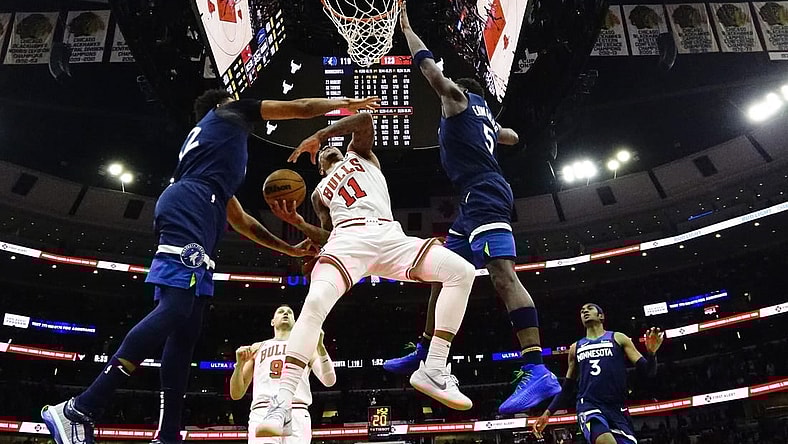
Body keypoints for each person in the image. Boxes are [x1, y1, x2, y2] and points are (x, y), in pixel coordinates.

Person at [40, 90, 379, 444]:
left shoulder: (215, 152)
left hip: (201, 210)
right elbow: (300, 108)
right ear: (222, 104)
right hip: (190, 208)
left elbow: (243, 222)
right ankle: (79, 409)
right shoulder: (229, 114)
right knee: (175, 309)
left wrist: (289, 249)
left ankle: (168, 435)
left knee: (185, 332)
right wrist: (345, 105)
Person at [255, 111, 478, 437]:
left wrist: (319, 135)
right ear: (319, 168)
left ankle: (433, 368)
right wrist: (299, 223)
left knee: (462, 272)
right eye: (323, 152)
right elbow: (326, 235)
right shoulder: (318, 194)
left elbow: (364, 120)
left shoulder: (360, 154)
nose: (328, 150)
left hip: (389, 234)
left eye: (330, 145)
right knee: (314, 303)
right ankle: (282, 403)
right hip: (347, 240)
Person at [385, 0, 560, 414]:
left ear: (462, 95)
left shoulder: (458, 102)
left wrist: (408, 31)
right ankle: (425, 351)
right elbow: (513, 137)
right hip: (472, 199)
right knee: (441, 272)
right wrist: (496, 130)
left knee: (502, 274)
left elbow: (431, 72)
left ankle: (536, 368)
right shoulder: (485, 118)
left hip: (484, 192)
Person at [532, 304, 664, 444]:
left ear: (601, 316)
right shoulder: (575, 347)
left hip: (617, 408)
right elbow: (567, 388)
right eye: (582, 311)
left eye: (589, 308)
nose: (585, 311)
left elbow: (649, 372)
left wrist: (652, 354)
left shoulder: (618, 338)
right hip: (589, 406)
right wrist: (547, 414)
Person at [230, 304, 335, 444]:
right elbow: (236, 394)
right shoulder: (258, 347)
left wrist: (321, 347)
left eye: (289, 312)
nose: (285, 313)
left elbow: (329, 380)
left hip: (296, 408)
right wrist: (239, 366)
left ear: (295, 322)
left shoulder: (306, 346)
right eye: (281, 311)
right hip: (264, 409)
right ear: (272, 321)